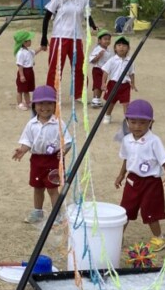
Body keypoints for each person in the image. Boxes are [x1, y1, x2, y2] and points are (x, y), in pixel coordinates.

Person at [114, 99, 165, 253]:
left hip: (151, 183)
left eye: (142, 123)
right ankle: (118, 237)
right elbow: (126, 159)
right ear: (127, 121)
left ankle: (159, 237)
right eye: (133, 122)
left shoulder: (154, 141)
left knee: (150, 211)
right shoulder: (126, 140)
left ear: (150, 122)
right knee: (126, 209)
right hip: (132, 180)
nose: (137, 126)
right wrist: (121, 175)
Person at [12, 84, 73, 224]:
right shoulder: (31, 124)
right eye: (40, 103)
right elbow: (27, 141)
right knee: (38, 187)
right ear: (34, 105)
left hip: (53, 161)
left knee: (53, 189)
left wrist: (64, 150)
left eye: (49, 103)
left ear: (55, 105)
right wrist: (22, 150)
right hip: (37, 161)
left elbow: (68, 141)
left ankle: (57, 215)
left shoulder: (58, 123)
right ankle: (37, 212)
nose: (45, 107)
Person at [40, 0, 97, 100]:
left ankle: (79, 94)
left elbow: (87, 15)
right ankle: (51, 93)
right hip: (59, 37)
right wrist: (43, 37)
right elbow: (46, 18)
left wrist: (93, 25)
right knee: (55, 67)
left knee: (79, 67)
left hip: (76, 37)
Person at [101, 36, 135, 125]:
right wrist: (103, 83)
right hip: (113, 84)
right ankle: (107, 115)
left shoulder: (130, 61)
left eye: (124, 46)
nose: (121, 47)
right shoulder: (112, 60)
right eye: (119, 45)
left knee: (126, 103)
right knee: (110, 102)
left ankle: (127, 119)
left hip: (125, 85)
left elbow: (131, 73)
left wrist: (133, 83)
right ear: (115, 48)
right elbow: (106, 72)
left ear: (128, 48)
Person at [88, 31, 112, 107]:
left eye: (108, 39)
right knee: (97, 84)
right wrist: (98, 56)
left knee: (102, 84)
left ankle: (97, 99)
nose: (107, 41)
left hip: (104, 71)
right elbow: (91, 60)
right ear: (99, 41)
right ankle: (95, 99)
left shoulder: (108, 50)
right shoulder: (98, 49)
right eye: (105, 39)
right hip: (97, 69)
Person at [13, 29, 35, 110]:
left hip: (30, 71)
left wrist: (41, 48)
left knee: (27, 89)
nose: (30, 41)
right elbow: (20, 65)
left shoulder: (28, 50)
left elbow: (34, 52)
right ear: (24, 42)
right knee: (20, 89)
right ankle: (20, 103)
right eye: (29, 40)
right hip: (24, 72)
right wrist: (21, 75)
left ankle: (28, 102)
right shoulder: (21, 53)